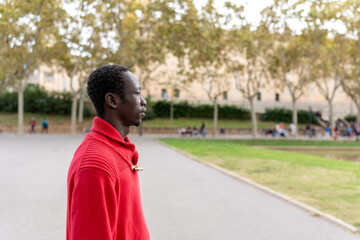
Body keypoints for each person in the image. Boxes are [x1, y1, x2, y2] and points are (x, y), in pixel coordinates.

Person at [66, 65, 149, 240]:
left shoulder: (118, 147)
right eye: (137, 93)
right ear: (112, 100)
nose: (143, 101)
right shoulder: (95, 164)